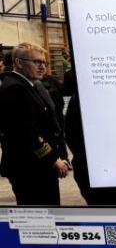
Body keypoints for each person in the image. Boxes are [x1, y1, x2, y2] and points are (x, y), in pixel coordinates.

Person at [0, 43, 69, 204]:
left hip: (37, 164)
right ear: (19, 63)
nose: (42, 67)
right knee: (41, 212)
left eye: (44, 63)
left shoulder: (28, 85)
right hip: (29, 167)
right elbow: (27, 132)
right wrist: (54, 159)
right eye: (37, 62)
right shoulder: (15, 88)